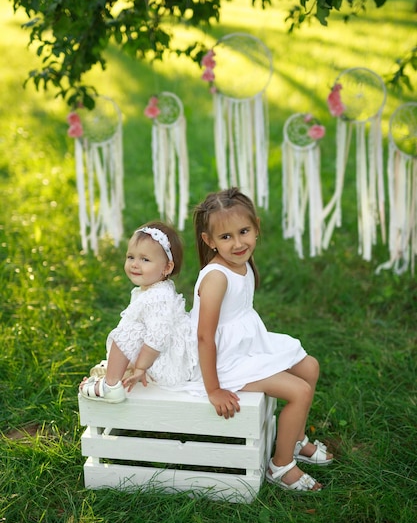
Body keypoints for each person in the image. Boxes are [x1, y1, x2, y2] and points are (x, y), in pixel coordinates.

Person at [188, 187, 333, 491]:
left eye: (244, 231)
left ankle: (293, 440)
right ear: (209, 241)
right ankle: (279, 467)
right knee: (299, 391)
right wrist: (213, 389)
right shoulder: (216, 278)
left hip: (248, 344)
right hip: (223, 360)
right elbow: (204, 336)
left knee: (309, 367)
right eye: (226, 237)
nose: (238, 243)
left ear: (256, 228)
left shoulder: (241, 264)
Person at [79, 221, 198, 403]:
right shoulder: (153, 289)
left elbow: (158, 337)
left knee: (130, 332)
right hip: (154, 355)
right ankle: (115, 373)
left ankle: (111, 386)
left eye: (145, 259)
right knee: (134, 330)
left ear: (167, 268)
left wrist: (141, 368)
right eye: (130, 257)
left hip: (163, 362)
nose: (135, 264)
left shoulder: (158, 297)